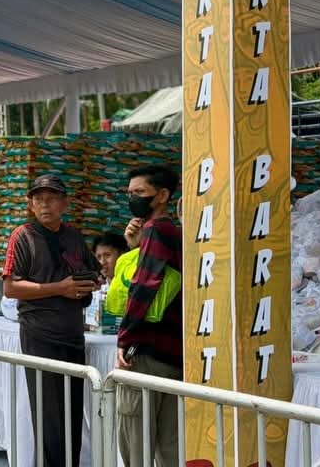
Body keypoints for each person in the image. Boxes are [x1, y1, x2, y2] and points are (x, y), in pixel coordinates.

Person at [3, 174, 100, 467]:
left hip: (72, 333)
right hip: (40, 334)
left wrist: (88, 284)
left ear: (65, 203)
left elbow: (94, 272)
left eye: (52, 198)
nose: (45, 204)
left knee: (71, 411)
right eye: (39, 199)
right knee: (49, 416)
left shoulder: (73, 236)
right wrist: (60, 288)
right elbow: (10, 288)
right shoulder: (23, 235)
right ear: (31, 204)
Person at [116, 165, 183, 467]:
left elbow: (143, 287)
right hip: (174, 357)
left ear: (163, 195)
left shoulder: (157, 230)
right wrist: (135, 247)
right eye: (130, 193)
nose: (133, 199)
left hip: (148, 355)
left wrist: (124, 338)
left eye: (140, 193)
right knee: (171, 446)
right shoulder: (175, 233)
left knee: (137, 444)